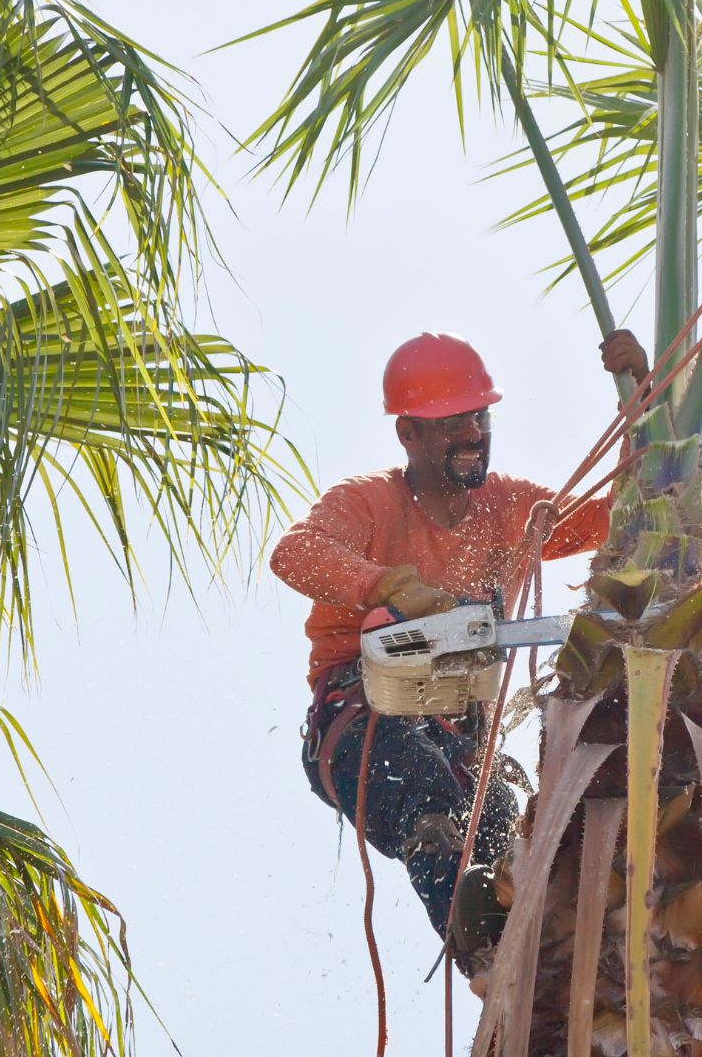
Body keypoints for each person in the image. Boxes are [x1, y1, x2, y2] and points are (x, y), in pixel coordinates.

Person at [270, 329, 649, 960]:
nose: (473, 432)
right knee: (427, 799)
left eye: (479, 415)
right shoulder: (371, 502)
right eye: (452, 423)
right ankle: (488, 954)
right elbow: (294, 553)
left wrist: (640, 396)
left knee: (524, 834)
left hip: (459, 741)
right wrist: (385, 585)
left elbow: (621, 514)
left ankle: (552, 971)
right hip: (361, 719)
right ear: (408, 435)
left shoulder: (509, 509)